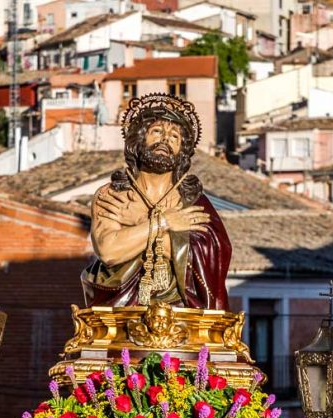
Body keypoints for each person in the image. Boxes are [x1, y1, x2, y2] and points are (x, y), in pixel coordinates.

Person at [81, 93, 231, 310]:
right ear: (140, 139)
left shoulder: (192, 202)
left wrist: (140, 224)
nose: (165, 140)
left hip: (182, 316)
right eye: (157, 131)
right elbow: (109, 251)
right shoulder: (113, 194)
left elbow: (211, 263)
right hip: (121, 313)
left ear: (183, 151)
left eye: (175, 137)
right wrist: (163, 223)